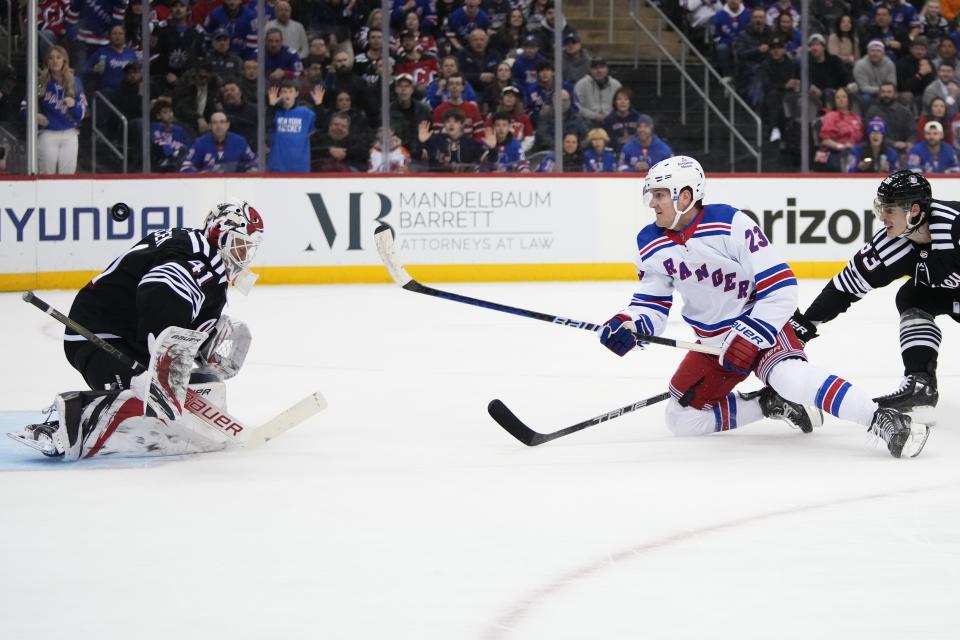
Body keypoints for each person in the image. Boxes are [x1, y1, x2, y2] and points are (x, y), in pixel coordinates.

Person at [598, 156, 929, 458]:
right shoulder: (650, 241)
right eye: (651, 195)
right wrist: (630, 324)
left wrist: (752, 334)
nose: (652, 203)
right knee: (680, 418)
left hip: (761, 325)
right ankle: (769, 403)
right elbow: (652, 305)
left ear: (684, 196)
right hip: (715, 345)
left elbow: (782, 288)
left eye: (659, 195)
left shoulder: (730, 223)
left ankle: (883, 419)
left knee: (791, 378)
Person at [9, 199, 265, 461]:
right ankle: (60, 424)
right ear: (218, 232)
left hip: (127, 335)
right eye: (239, 246)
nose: (242, 257)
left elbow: (176, 307)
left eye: (247, 251)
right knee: (147, 399)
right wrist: (164, 362)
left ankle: (143, 402)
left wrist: (204, 343)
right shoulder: (201, 257)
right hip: (99, 336)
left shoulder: (195, 250)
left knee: (196, 387)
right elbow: (160, 288)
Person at [791, 170, 958, 414]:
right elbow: (845, 286)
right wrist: (807, 323)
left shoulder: (955, 226)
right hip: (949, 292)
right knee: (911, 297)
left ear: (913, 210)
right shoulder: (891, 244)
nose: (882, 217)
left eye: (889, 210)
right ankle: (921, 384)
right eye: (881, 208)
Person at [31, 45, 87, 175]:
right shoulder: (40, 82)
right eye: (51, 58)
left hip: (70, 134)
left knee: (67, 178)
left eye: (58, 57)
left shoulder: (75, 82)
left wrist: (74, 105)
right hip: (48, 134)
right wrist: (34, 115)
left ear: (64, 61)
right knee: (45, 175)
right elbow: (25, 106)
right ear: (47, 62)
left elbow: (82, 112)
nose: (55, 61)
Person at [267, 79, 323, 173]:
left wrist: (319, 105)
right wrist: (271, 106)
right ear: (280, 94)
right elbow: (267, 126)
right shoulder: (275, 113)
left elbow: (321, 125)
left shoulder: (306, 113)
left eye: (290, 91)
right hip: (278, 165)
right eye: (284, 92)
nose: (287, 94)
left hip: (300, 165)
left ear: (296, 94)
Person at [180, 111, 258, 172]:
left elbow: (254, 161)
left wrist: (252, 169)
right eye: (215, 123)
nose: (219, 126)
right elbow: (186, 166)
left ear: (228, 125)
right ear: (210, 126)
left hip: (236, 185)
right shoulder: (200, 143)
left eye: (222, 122)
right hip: (207, 186)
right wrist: (198, 175)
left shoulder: (240, 141)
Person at [574, 58, 622, 127]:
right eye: (595, 68)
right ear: (590, 70)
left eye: (602, 67)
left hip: (611, 120)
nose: (599, 71)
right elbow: (577, 106)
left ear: (607, 69)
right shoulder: (581, 84)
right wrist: (594, 116)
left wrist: (607, 115)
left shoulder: (616, 84)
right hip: (588, 121)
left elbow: (621, 104)